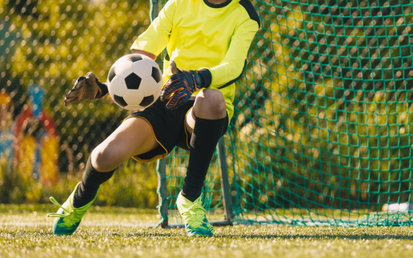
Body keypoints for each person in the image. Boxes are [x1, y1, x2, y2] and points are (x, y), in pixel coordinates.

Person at [49, 0, 260, 237]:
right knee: (104, 156)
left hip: (204, 104)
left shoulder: (244, 14)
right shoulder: (179, 3)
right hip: (164, 98)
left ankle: (189, 199)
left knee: (212, 99)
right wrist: (107, 88)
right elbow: (142, 59)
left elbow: (234, 66)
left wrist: (196, 79)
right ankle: (77, 203)